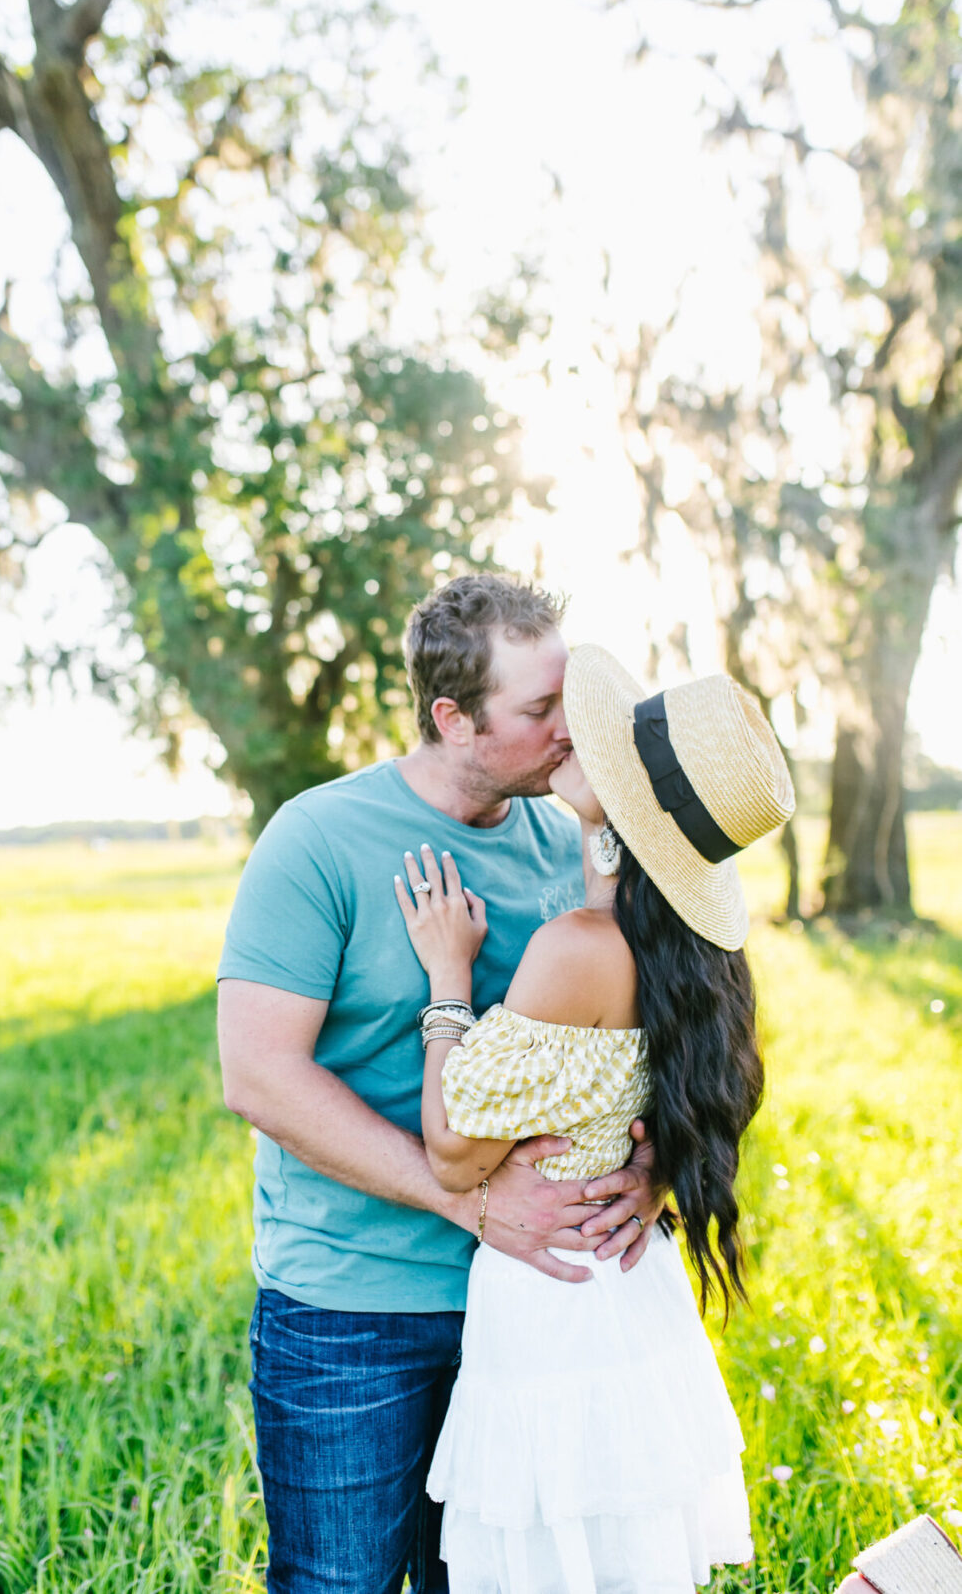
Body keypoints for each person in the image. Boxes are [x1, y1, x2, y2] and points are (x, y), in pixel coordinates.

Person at [216, 576, 667, 1594]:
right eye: (541, 710)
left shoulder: (573, 851)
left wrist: (650, 1166)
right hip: (349, 1310)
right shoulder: (317, 839)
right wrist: (462, 1198)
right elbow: (258, 1074)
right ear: (452, 718)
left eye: (572, 700)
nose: (571, 731)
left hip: (529, 1311)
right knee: (342, 1584)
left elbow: (624, 1047)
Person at [393, 643, 796, 1593]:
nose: (575, 731)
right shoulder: (685, 951)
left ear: (633, 808)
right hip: (622, 1296)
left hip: (555, 1305)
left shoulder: (579, 948)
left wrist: (448, 984)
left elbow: (453, 1153)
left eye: (610, 746)